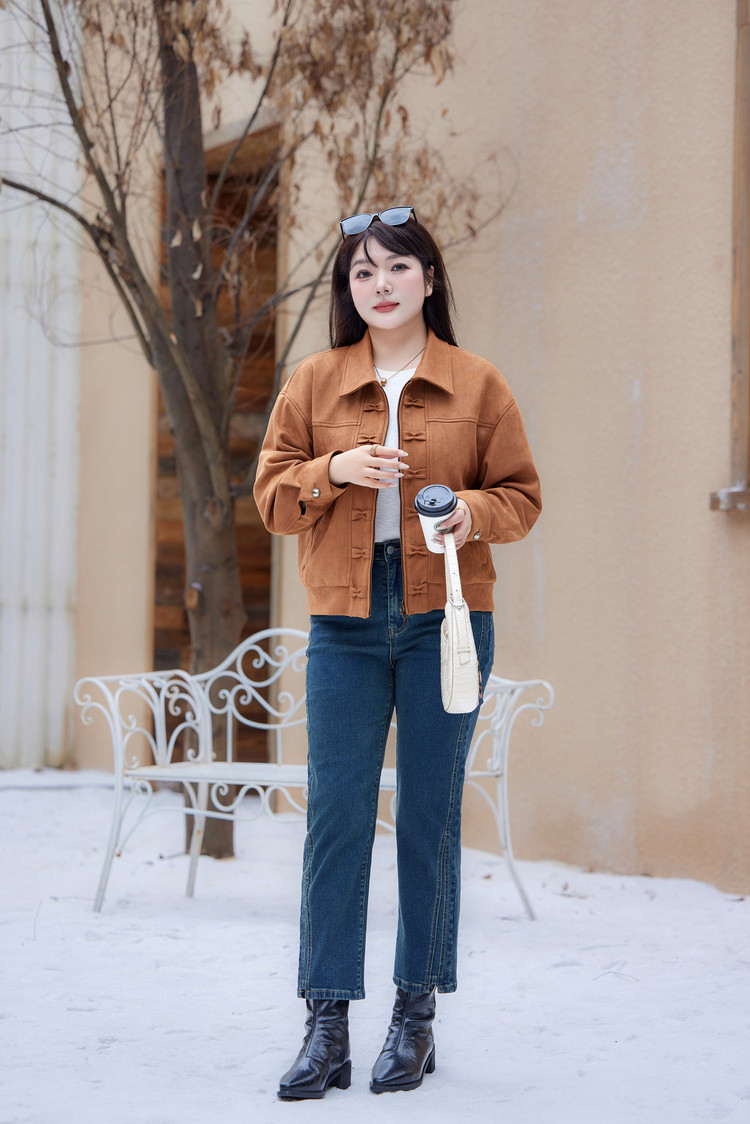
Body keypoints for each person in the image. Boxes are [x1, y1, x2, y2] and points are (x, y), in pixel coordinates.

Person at [253, 205, 541, 1099]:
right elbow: (271, 497)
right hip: (343, 620)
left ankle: (415, 1016)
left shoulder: (478, 384)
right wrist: (332, 472)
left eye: (396, 268)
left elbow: (522, 497)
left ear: (428, 279)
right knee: (336, 814)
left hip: (444, 617)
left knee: (428, 814)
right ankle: (327, 1021)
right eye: (362, 272)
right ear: (350, 290)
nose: (380, 284)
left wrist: (470, 513)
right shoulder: (314, 381)